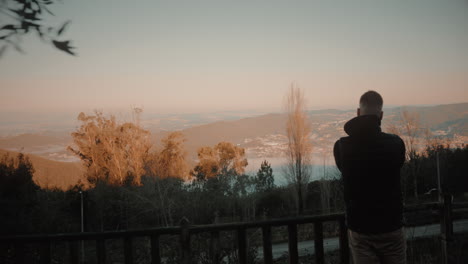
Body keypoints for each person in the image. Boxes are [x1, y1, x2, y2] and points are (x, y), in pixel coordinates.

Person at [333, 90, 406, 264]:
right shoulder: (396, 144)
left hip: (361, 229)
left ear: (358, 112)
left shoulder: (341, 147)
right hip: (392, 225)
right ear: (381, 115)